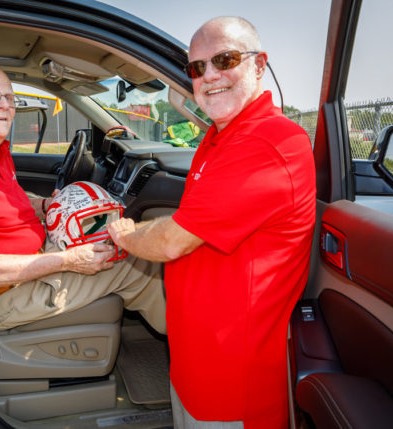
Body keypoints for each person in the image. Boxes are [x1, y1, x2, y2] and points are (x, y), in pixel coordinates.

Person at [108, 16, 316, 429]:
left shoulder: (269, 142)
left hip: (231, 381)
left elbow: (171, 242)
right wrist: (191, 99)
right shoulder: (222, 137)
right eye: (197, 68)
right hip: (195, 360)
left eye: (225, 59)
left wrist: (125, 235)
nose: (209, 75)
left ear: (259, 65)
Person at [0, 63, 166, 334]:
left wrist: (44, 206)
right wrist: (69, 260)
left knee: (109, 240)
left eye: (9, 98)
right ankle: (194, 349)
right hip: (1, 293)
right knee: (136, 262)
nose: (4, 105)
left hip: (36, 258)